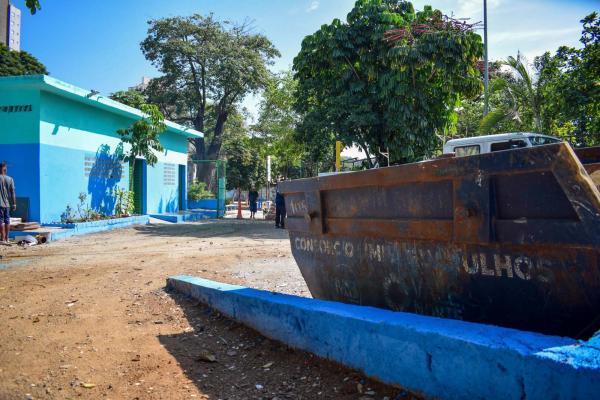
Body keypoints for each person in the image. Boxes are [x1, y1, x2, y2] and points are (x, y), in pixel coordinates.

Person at [0, 162, 16, 245]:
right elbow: (12, 192)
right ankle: (7, 238)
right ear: (5, 169)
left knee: (1, 221)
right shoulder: (10, 179)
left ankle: (2, 239)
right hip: (7, 204)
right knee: (7, 220)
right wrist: (14, 203)